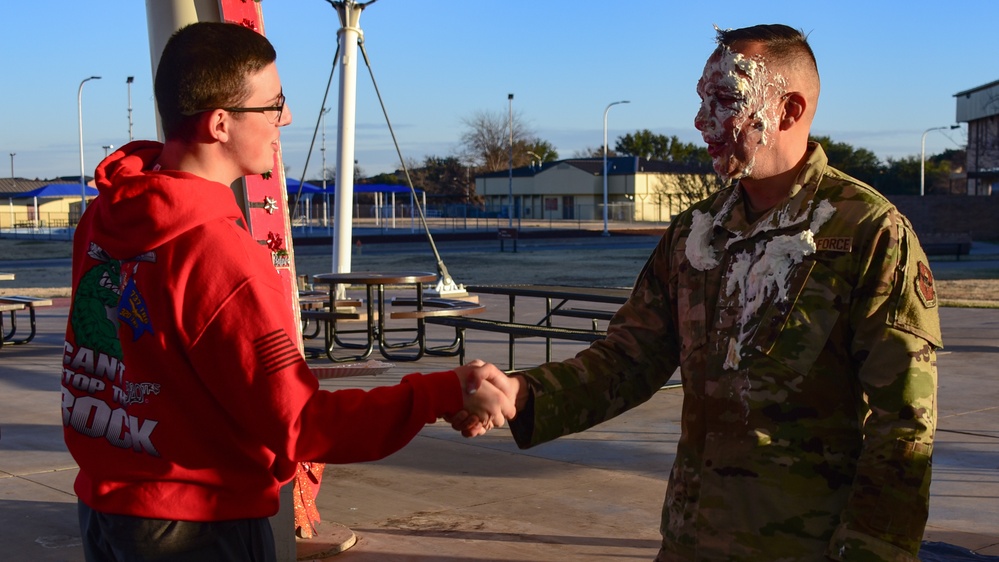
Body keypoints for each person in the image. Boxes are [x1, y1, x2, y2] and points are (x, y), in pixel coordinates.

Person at [458, 24, 940, 561]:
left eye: (725, 100)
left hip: (806, 548)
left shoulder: (866, 232)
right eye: (700, 101)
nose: (700, 122)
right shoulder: (697, 233)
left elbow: (903, 425)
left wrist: (873, 551)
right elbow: (628, 360)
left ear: (789, 110)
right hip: (691, 540)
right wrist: (523, 394)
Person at [61, 21, 515, 562]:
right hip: (199, 528)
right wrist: (442, 391)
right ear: (221, 123)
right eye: (273, 105)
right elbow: (301, 424)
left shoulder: (103, 218)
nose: (288, 118)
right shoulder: (220, 255)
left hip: (105, 512)